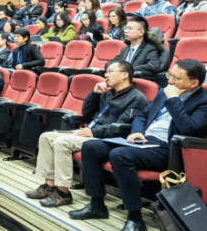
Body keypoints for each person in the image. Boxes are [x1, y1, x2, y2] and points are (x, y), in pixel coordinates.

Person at [70, 60, 207, 231]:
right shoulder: (163, 92)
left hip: (169, 149)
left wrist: (173, 99)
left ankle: (135, 219)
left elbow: (188, 130)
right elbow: (142, 115)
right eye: (169, 76)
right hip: (144, 141)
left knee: (119, 155)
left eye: (176, 78)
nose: (170, 81)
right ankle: (97, 205)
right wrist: (137, 131)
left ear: (193, 83)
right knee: (91, 147)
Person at [25, 61, 148, 207]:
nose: (106, 75)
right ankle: (49, 185)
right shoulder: (107, 93)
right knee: (46, 137)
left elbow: (120, 127)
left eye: (110, 71)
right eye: (106, 72)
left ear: (124, 75)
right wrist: (94, 94)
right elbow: (87, 112)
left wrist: (92, 132)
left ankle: (63, 193)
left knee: (62, 142)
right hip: (92, 132)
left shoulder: (137, 98)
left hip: (108, 138)